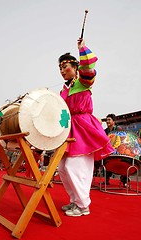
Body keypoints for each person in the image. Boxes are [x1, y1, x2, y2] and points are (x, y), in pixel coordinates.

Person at [58, 38, 114, 217]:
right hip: (69, 128)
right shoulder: (64, 90)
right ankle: (75, 200)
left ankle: (83, 205)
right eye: (59, 68)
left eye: (65, 67)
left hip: (84, 128)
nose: (61, 71)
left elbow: (89, 68)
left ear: (75, 68)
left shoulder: (83, 81)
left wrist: (82, 49)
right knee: (62, 168)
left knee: (76, 167)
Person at [104, 113, 129, 187]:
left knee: (123, 163)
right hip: (109, 151)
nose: (107, 121)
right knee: (106, 162)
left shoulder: (118, 129)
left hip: (118, 150)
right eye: (106, 120)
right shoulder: (105, 131)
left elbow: (123, 139)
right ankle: (106, 180)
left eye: (109, 120)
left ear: (114, 121)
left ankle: (124, 181)